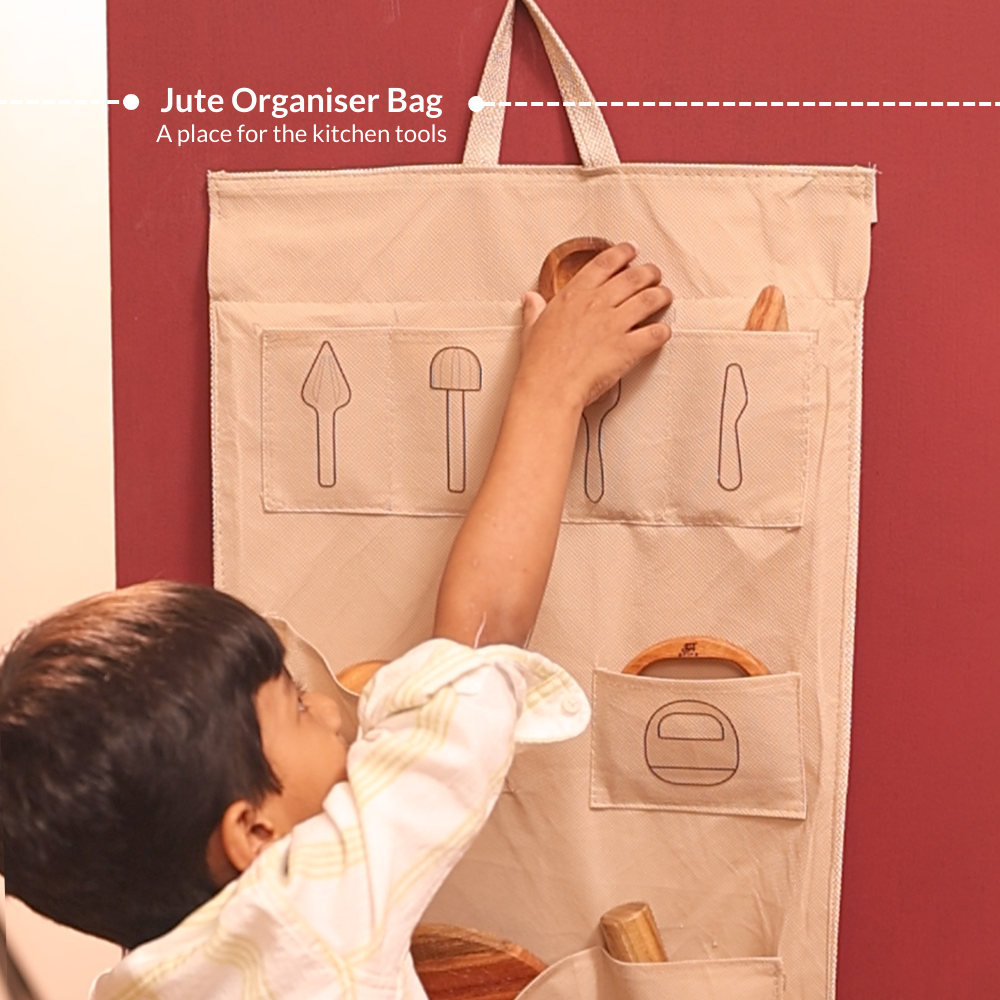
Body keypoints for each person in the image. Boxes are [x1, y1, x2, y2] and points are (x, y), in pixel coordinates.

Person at [0, 243, 672, 999]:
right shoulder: (314, 907)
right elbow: (473, 653)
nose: (328, 708)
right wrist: (552, 389)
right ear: (253, 833)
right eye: (293, 704)